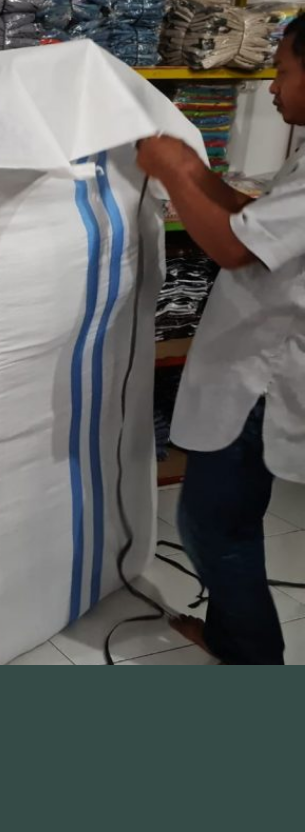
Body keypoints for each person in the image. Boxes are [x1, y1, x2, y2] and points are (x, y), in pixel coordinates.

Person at [135, 16, 305, 664]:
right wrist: (192, 174)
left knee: (213, 521)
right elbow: (255, 219)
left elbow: (235, 247)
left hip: (269, 375)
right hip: (263, 364)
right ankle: (238, 638)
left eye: (283, 71)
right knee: (227, 513)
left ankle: (252, 657)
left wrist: (177, 170)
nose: (273, 88)